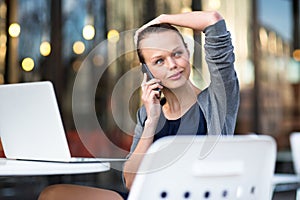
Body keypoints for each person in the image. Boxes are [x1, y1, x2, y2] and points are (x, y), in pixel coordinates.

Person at [38, 10, 239, 200]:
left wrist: (162, 18)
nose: (172, 65)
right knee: (53, 194)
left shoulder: (217, 99)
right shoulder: (147, 113)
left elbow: (213, 19)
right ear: (147, 71)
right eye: (159, 61)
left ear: (188, 51)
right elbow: (131, 182)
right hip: (147, 196)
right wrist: (151, 122)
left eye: (177, 53)